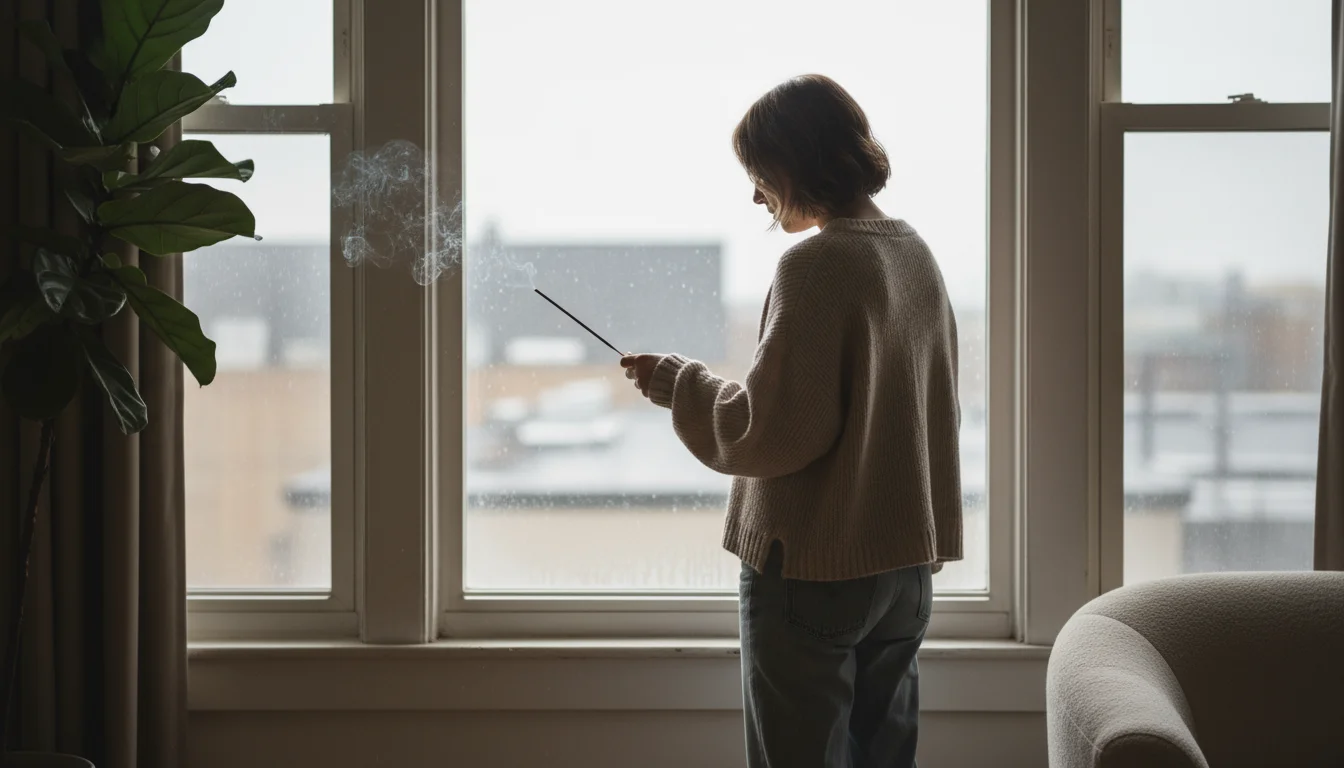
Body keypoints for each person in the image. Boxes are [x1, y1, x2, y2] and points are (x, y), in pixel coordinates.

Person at [620, 74, 963, 768]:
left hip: (815, 568)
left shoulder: (817, 264)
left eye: (759, 174)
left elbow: (767, 432)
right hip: (903, 573)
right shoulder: (915, 254)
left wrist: (676, 383)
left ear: (796, 162)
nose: (755, 195)